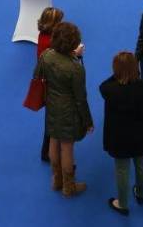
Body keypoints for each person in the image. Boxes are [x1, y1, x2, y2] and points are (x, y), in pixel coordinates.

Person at [34, 22, 93, 197]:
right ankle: (69, 186)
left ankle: (56, 179)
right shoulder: (75, 68)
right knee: (67, 148)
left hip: (52, 106)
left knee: (53, 140)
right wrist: (88, 121)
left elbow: (37, 75)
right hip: (68, 111)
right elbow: (81, 99)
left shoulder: (46, 56)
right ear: (73, 43)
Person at [100, 52, 143, 216]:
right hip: (142, 135)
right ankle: (140, 193)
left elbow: (103, 86)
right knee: (142, 163)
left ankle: (123, 203)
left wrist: (118, 75)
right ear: (135, 68)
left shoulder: (110, 89)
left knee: (122, 169)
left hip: (119, 137)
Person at [37, 7, 65, 162]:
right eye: (59, 21)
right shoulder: (50, 43)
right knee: (53, 122)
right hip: (53, 87)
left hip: (49, 85)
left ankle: (47, 151)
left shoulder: (43, 35)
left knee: (51, 120)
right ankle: (50, 153)